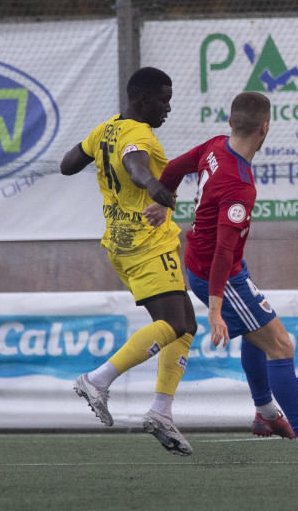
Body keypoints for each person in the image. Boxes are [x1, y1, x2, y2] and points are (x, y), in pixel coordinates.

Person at [144, 91, 298, 465]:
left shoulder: (215, 146)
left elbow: (176, 168)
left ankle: (265, 414)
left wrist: (162, 202)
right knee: (281, 346)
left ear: (230, 123)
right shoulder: (239, 186)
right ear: (266, 127)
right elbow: (223, 254)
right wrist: (215, 311)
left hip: (209, 265)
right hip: (220, 276)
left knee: (259, 336)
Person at [60, 66, 197, 456]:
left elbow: (67, 164)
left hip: (120, 241)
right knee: (173, 324)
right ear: (142, 101)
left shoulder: (105, 130)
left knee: (185, 326)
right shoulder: (137, 134)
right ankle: (99, 380)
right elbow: (136, 162)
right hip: (146, 243)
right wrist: (152, 183)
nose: (168, 108)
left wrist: (99, 156)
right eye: (163, 100)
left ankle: (161, 410)